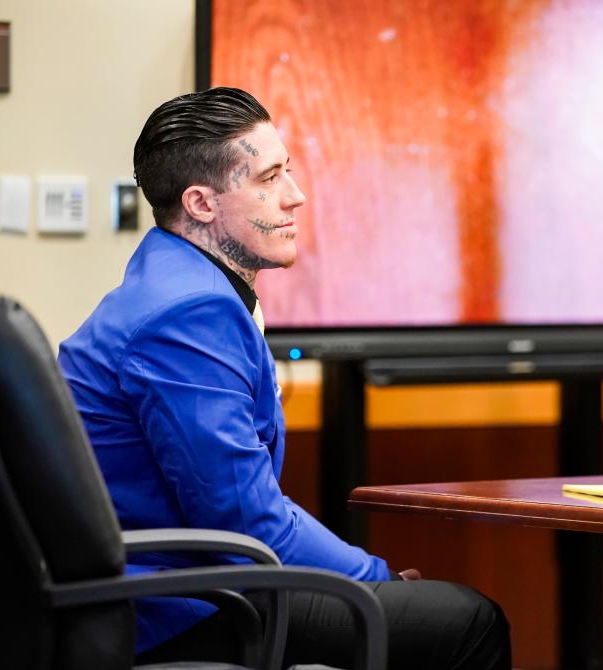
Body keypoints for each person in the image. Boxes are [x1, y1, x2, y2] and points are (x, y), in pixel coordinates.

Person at [58, 86, 510, 669]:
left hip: (187, 583)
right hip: (175, 609)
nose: (295, 197)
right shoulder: (186, 313)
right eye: (269, 178)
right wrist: (375, 578)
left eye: (288, 172)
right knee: (467, 622)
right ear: (200, 203)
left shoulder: (175, 284)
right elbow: (244, 517)